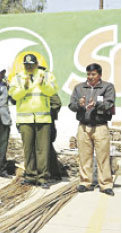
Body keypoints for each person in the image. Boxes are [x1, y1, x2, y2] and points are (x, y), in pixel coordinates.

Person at [9, 53, 58, 189]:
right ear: (24, 65)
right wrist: (24, 87)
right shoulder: (17, 78)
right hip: (25, 119)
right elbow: (14, 95)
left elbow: (52, 91)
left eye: (31, 64)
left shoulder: (46, 75)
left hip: (43, 119)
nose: (29, 67)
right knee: (28, 149)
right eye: (27, 65)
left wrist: (42, 85)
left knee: (43, 149)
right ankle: (30, 176)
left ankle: (42, 178)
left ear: (36, 64)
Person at [68, 63, 115, 196]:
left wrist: (98, 104)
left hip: (100, 127)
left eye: (93, 74)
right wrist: (79, 104)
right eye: (88, 74)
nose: (90, 77)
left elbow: (109, 103)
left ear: (99, 75)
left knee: (103, 157)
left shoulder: (107, 87)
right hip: (83, 127)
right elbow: (71, 105)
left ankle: (105, 184)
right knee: (84, 156)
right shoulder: (79, 88)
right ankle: (85, 182)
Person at [48, 93, 63, 180]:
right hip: (34, 121)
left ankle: (55, 174)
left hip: (47, 122)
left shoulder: (48, 86)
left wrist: (48, 114)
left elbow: (57, 103)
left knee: (48, 147)